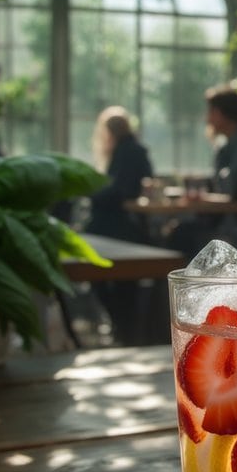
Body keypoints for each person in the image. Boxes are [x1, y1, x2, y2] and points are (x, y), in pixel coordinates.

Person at [168, 84, 237, 257]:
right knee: (177, 231)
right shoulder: (228, 143)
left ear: (224, 113)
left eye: (211, 112)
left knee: (181, 236)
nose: (207, 119)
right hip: (225, 218)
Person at [84, 107, 153, 344]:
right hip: (130, 227)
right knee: (124, 286)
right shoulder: (136, 150)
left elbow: (118, 191)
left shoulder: (124, 152)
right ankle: (124, 328)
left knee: (94, 269)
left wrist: (89, 191)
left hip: (118, 227)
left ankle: (121, 326)